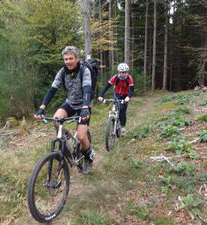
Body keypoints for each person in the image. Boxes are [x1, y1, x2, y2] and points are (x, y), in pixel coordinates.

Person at [34, 46, 95, 174]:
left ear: (77, 58)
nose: (68, 61)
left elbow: (87, 89)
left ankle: (89, 157)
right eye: (66, 59)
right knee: (56, 120)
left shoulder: (84, 71)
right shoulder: (62, 72)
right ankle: (66, 144)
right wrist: (42, 108)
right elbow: (52, 90)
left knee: (81, 136)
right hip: (70, 103)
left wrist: (85, 108)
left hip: (84, 104)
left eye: (71, 58)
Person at [98, 63, 134, 136]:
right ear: (119, 72)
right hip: (117, 94)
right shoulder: (115, 78)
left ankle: (123, 127)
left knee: (122, 110)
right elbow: (106, 87)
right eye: (121, 72)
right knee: (115, 108)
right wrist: (100, 95)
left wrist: (128, 97)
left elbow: (132, 90)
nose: (123, 74)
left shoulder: (129, 78)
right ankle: (113, 123)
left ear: (127, 72)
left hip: (125, 95)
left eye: (125, 72)